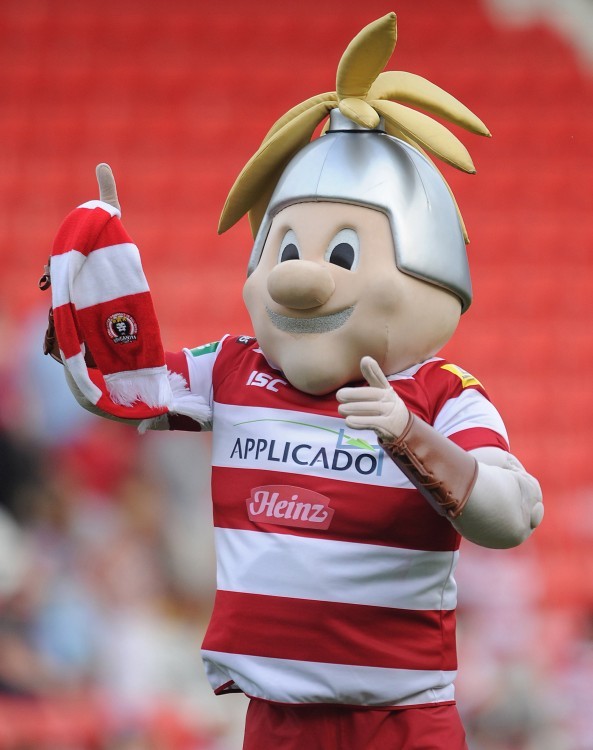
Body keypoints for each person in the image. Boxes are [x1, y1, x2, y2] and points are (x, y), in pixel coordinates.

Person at [44, 13, 543, 750]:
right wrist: (92, 281)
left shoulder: (443, 393)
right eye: (284, 251)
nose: (300, 279)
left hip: (399, 721)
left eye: (342, 255)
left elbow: (511, 515)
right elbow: (129, 386)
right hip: (274, 721)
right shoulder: (234, 367)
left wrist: (410, 437)